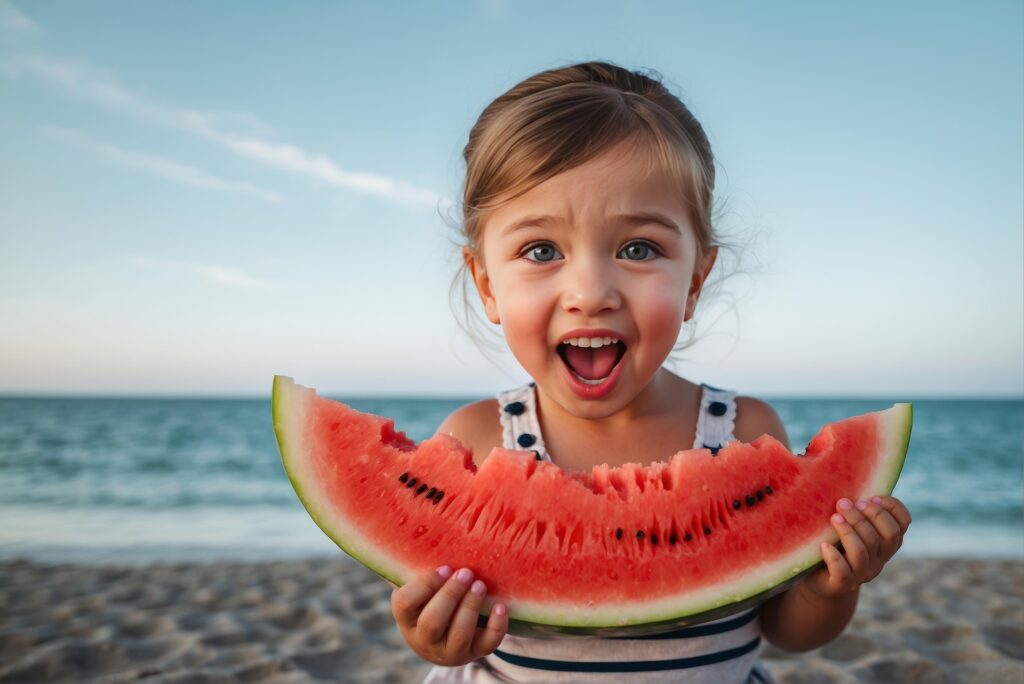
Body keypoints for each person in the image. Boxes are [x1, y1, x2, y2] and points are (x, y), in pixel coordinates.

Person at [389, 60, 912, 684]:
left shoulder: (745, 430)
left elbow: (787, 632)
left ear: (695, 281)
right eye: (541, 250)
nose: (590, 292)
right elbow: (448, 614)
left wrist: (829, 586)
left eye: (638, 249)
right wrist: (436, 638)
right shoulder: (474, 442)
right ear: (486, 284)